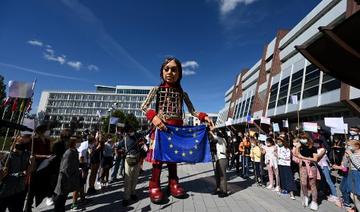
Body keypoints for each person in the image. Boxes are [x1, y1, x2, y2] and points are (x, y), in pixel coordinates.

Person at [141, 57, 214, 203]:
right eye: (166, 69)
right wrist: (153, 117)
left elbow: (193, 111)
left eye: (174, 69)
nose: (170, 72)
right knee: (158, 160)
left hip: (176, 131)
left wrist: (204, 116)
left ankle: (173, 183)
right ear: (161, 72)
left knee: (173, 158)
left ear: (179, 73)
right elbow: (144, 106)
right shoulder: (157, 90)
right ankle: (154, 184)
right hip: (160, 129)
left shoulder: (182, 93)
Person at [0, 136, 35, 212]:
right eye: (20, 143)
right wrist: (20, 174)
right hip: (5, 191)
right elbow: (3, 175)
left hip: (19, 190)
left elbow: (29, 172)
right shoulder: (8, 156)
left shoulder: (26, 155)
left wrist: (32, 163)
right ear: (13, 143)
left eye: (23, 143)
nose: (22, 145)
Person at [25, 125, 53, 212]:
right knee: (32, 188)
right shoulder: (35, 141)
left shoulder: (48, 141)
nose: (48, 132)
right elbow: (32, 154)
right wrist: (45, 156)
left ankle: (48, 197)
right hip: (36, 166)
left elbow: (50, 152)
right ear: (41, 131)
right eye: (47, 130)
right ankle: (28, 207)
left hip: (45, 166)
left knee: (43, 185)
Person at [53, 136, 81, 212]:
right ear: (73, 143)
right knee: (60, 199)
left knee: (63, 199)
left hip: (70, 179)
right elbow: (65, 168)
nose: (80, 143)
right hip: (64, 179)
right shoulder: (68, 153)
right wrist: (67, 180)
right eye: (78, 141)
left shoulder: (74, 151)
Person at [295, 133, 320, 211]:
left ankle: (314, 201)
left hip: (311, 167)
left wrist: (304, 158)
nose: (302, 139)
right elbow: (296, 155)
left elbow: (315, 159)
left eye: (304, 138)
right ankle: (306, 196)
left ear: (308, 139)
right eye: (301, 138)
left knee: (313, 184)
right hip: (302, 167)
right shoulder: (300, 146)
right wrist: (297, 148)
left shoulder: (313, 147)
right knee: (303, 183)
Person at [333, 140, 360, 212]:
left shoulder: (357, 154)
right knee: (352, 194)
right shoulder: (351, 153)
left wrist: (351, 155)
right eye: (347, 145)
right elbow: (345, 165)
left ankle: (350, 205)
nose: (347, 147)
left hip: (357, 175)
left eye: (349, 145)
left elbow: (358, 166)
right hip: (351, 174)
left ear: (356, 146)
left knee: (355, 194)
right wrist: (345, 157)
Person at [314, 139, 341, 206]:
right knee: (321, 180)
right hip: (319, 167)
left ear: (320, 143)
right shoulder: (314, 149)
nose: (315, 144)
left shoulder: (323, 149)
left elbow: (317, 157)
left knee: (328, 180)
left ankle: (335, 196)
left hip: (324, 167)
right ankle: (322, 191)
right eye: (315, 143)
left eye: (317, 143)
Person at [209, 129, 229, 198]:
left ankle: (224, 191)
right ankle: (219, 189)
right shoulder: (220, 141)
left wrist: (210, 131)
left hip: (222, 159)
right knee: (217, 175)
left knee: (222, 176)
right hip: (219, 159)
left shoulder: (221, 139)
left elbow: (214, 137)